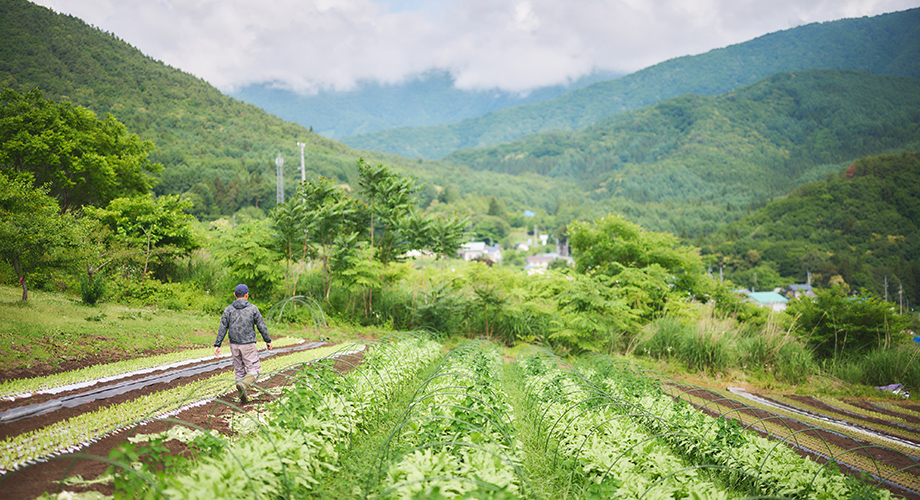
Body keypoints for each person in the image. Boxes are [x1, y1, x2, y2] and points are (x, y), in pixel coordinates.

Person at [214, 283, 272, 404]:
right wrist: (268, 340)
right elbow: (261, 326)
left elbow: (223, 327)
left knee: (239, 371)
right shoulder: (252, 308)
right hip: (248, 344)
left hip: (234, 345)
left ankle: (242, 395)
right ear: (247, 295)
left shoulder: (228, 309)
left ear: (235, 295)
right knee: (255, 369)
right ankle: (243, 384)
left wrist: (217, 344)